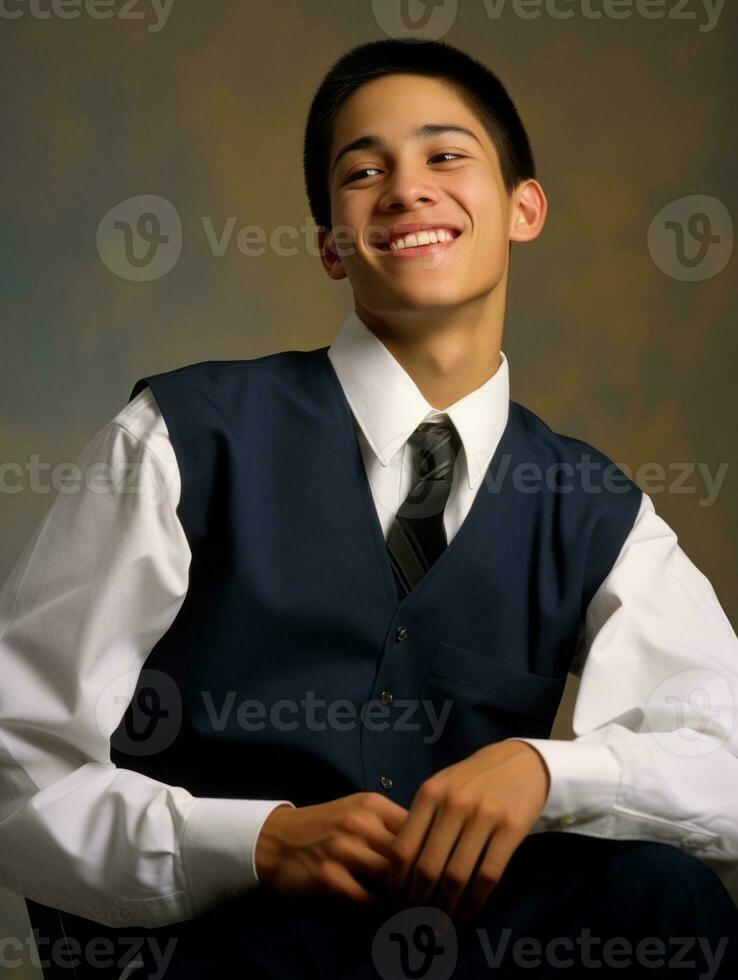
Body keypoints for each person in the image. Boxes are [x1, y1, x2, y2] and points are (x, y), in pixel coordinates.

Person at [2, 37, 738, 979]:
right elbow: (17, 760)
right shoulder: (183, 438)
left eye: (444, 155)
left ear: (524, 208)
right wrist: (255, 842)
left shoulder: (595, 509)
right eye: (363, 170)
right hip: (212, 946)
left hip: (451, 951)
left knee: (664, 900)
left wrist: (546, 771)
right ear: (327, 244)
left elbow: (717, 755)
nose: (405, 188)